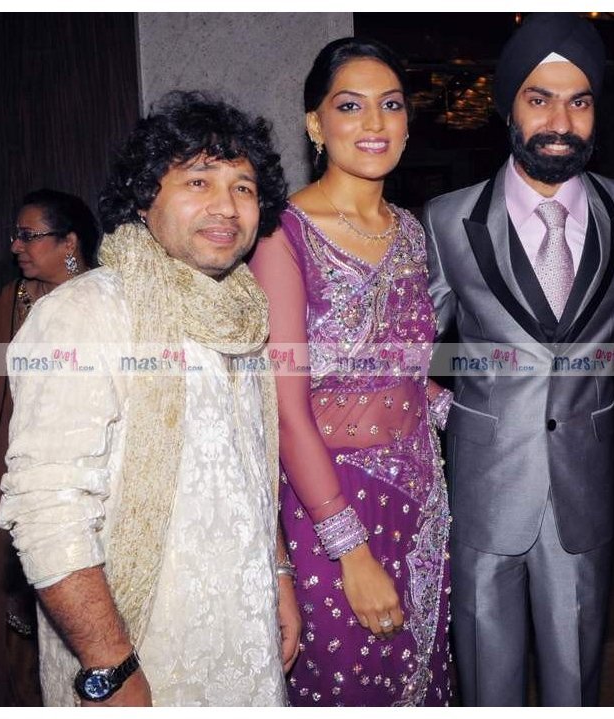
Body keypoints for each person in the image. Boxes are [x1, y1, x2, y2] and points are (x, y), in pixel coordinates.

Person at [0, 91, 300, 706]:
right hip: (141, 654)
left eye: (243, 187)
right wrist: (111, 667)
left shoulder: (242, 318)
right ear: (144, 198)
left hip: (244, 647)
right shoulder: (86, 313)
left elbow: (251, 470)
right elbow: (46, 510)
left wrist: (279, 575)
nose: (226, 206)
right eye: (198, 181)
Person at [422, 13, 614, 706]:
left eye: (579, 101)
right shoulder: (447, 219)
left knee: (576, 681)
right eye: (539, 99)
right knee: (486, 682)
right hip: (484, 487)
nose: (560, 120)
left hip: (586, 485)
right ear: (508, 108)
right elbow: (414, 351)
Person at [249, 38, 451, 707]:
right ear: (315, 123)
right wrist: (351, 551)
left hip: (421, 496)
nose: (374, 123)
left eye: (390, 105)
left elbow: (401, 366)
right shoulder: (283, 234)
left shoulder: (411, 230)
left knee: (420, 680)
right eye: (350, 106)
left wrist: (463, 407)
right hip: (330, 504)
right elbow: (286, 408)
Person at [0, 189, 100, 706]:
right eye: (16, 235)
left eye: (29, 236)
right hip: (16, 467)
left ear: (69, 243)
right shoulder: (11, 303)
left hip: (88, 473)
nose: (15, 246)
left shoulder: (104, 302)